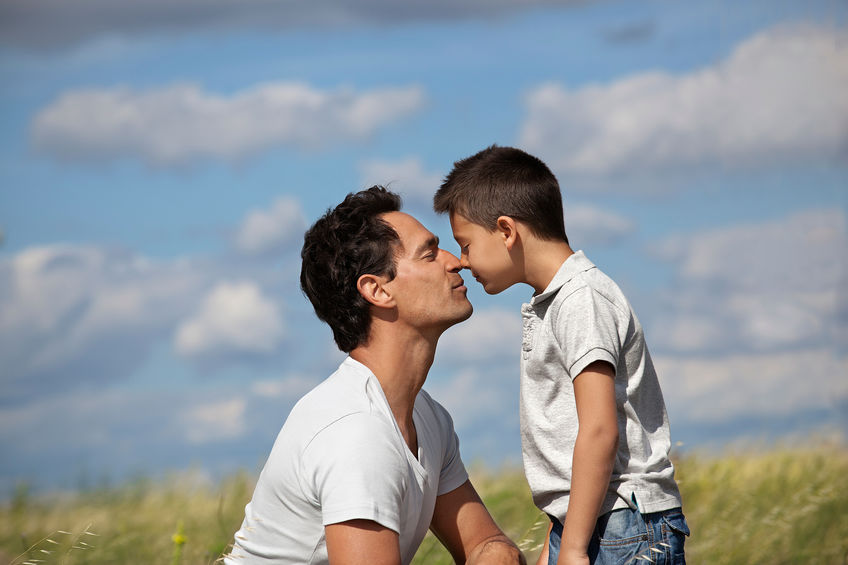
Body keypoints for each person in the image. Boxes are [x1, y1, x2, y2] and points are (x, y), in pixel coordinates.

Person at [225, 186, 524, 565]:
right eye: (430, 253)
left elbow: (485, 544)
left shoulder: (427, 418)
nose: (455, 261)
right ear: (378, 289)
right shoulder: (358, 432)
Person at [433, 146, 689, 565]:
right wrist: (560, 536)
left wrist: (572, 549)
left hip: (622, 524)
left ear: (505, 230)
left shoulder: (580, 299)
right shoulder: (554, 302)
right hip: (590, 522)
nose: (462, 262)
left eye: (466, 244)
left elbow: (599, 429)